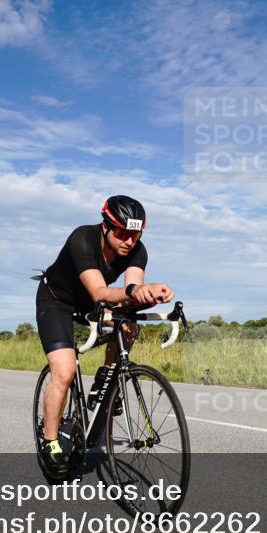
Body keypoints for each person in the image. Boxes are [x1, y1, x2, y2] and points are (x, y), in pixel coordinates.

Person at [36, 195, 174, 477]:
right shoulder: (83, 239)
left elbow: (131, 288)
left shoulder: (137, 250)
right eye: (122, 233)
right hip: (57, 302)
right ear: (106, 227)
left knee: (127, 323)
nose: (129, 241)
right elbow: (101, 292)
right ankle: (50, 442)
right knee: (63, 372)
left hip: (91, 303)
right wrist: (135, 292)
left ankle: (105, 378)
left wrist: (148, 295)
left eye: (135, 234)